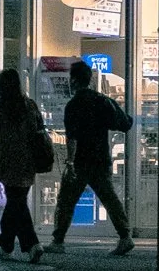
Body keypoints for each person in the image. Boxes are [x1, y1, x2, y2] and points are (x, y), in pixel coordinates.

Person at [52, 59, 134, 256]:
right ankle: (125, 236)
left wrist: (70, 162)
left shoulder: (73, 106)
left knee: (66, 201)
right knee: (109, 198)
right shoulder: (102, 101)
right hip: (100, 158)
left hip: (80, 161)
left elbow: (72, 138)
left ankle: (58, 240)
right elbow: (125, 123)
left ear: (74, 80)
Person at [0, 67, 51, 261]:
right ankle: (8, 244)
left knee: (16, 202)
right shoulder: (30, 106)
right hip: (28, 162)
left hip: (8, 162)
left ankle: (29, 244)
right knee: (17, 201)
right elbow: (40, 131)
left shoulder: (0, 109)